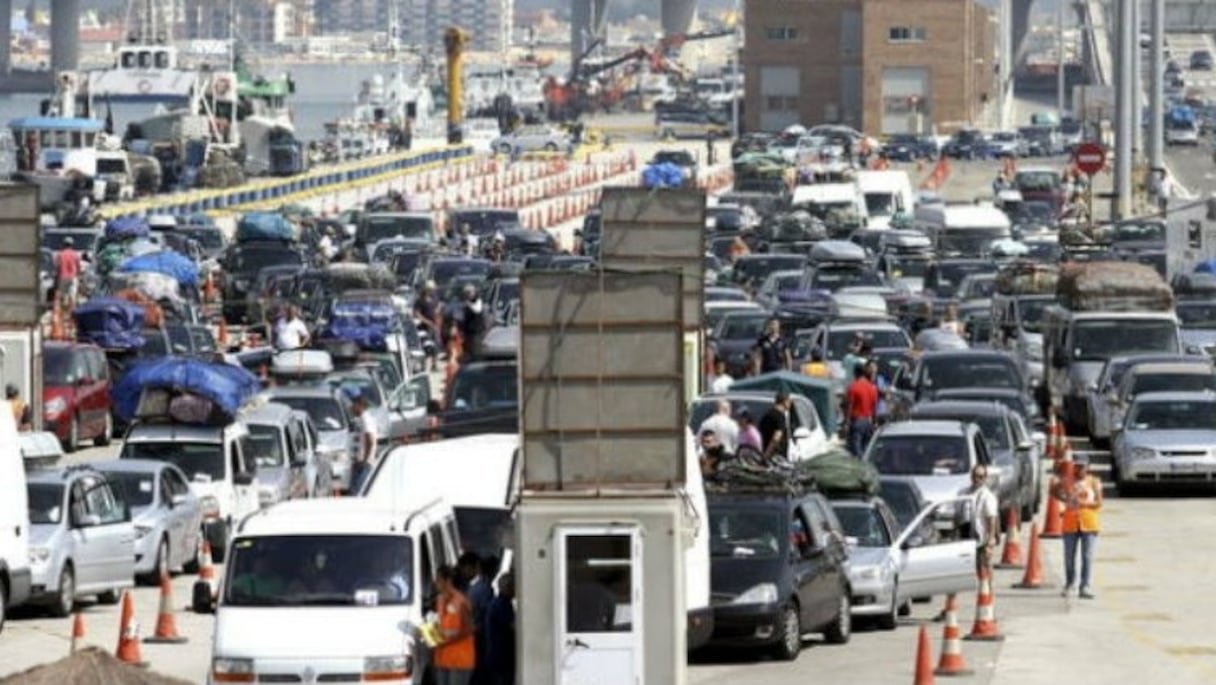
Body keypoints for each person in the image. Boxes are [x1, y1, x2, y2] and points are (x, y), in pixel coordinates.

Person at [1053, 454, 1102, 599]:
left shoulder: (1093, 482)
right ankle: (1069, 583)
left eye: (1083, 466)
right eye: (1077, 466)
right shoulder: (1068, 481)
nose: (1080, 469)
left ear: (1088, 468)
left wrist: (1084, 504)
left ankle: (1085, 585)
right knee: (1069, 556)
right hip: (1070, 523)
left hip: (1089, 523)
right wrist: (1064, 499)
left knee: (1087, 556)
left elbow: (1099, 502)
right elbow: (1055, 489)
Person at [433, 565, 476, 685]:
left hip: (460, 659)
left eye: (438, 579)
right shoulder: (440, 600)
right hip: (442, 658)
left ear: (448, 581)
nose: (435, 583)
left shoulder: (461, 601)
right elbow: (442, 625)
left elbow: (469, 628)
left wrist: (446, 640)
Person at [467, 556, 498, 685]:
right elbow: (486, 613)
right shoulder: (485, 589)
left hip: (474, 631)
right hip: (479, 633)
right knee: (481, 668)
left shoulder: (475, 587)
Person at [965, 464, 1000, 577]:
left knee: (984, 570)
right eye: (975, 476)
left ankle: (988, 592)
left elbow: (992, 520)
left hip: (981, 541)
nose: (977, 479)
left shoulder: (987, 496)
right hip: (967, 539)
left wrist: (990, 542)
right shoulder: (964, 493)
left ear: (985, 478)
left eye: (980, 476)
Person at [484, 572, 516, 685]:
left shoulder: (497, 603)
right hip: (501, 657)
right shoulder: (501, 605)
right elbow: (513, 626)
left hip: (496, 655)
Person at [844, 362, 879, 456]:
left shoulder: (853, 387)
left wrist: (847, 423)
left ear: (855, 373)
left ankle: (860, 467)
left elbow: (849, 407)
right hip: (868, 422)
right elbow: (874, 407)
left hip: (857, 422)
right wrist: (875, 422)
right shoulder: (872, 388)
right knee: (866, 449)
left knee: (856, 449)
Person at [348, 396, 377, 494]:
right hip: (358, 462)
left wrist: (364, 460)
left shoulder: (366, 419)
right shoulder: (360, 419)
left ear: (360, 406)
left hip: (363, 464)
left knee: (359, 492)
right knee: (355, 491)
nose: (351, 407)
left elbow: (370, 441)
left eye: (354, 405)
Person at [758, 391, 793, 461]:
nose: (790, 404)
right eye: (789, 401)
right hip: (775, 457)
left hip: (764, 451)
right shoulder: (780, 416)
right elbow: (776, 438)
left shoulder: (768, 414)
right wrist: (767, 454)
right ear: (785, 401)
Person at [459, 284, 486, 363]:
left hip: (477, 331)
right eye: (466, 293)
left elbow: (477, 310)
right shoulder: (466, 303)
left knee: (476, 351)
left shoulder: (478, 300)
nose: (468, 295)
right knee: (469, 351)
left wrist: (468, 304)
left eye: (469, 292)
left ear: (474, 292)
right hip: (468, 332)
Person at [54, 236, 82, 310]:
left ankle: (60, 312)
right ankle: (71, 313)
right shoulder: (75, 254)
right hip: (73, 277)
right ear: (72, 245)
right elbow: (78, 266)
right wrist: (79, 275)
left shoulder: (60, 254)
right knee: (72, 296)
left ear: (63, 244)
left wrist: (56, 276)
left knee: (61, 296)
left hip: (63, 277)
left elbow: (57, 267)